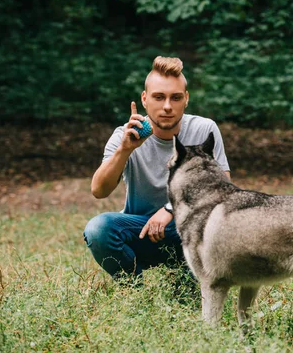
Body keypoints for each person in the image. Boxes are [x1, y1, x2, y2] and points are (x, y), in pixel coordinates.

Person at [84, 56, 231, 279]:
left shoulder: (204, 129)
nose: (167, 106)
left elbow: (224, 188)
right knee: (99, 229)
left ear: (186, 99)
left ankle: (186, 283)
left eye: (176, 98)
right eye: (159, 97)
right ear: (144, 99)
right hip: (140, 232)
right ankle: (136, 290)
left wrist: (170, 209)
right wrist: (125, 150)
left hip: (189, 232)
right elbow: (99, 190)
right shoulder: (125, 135)